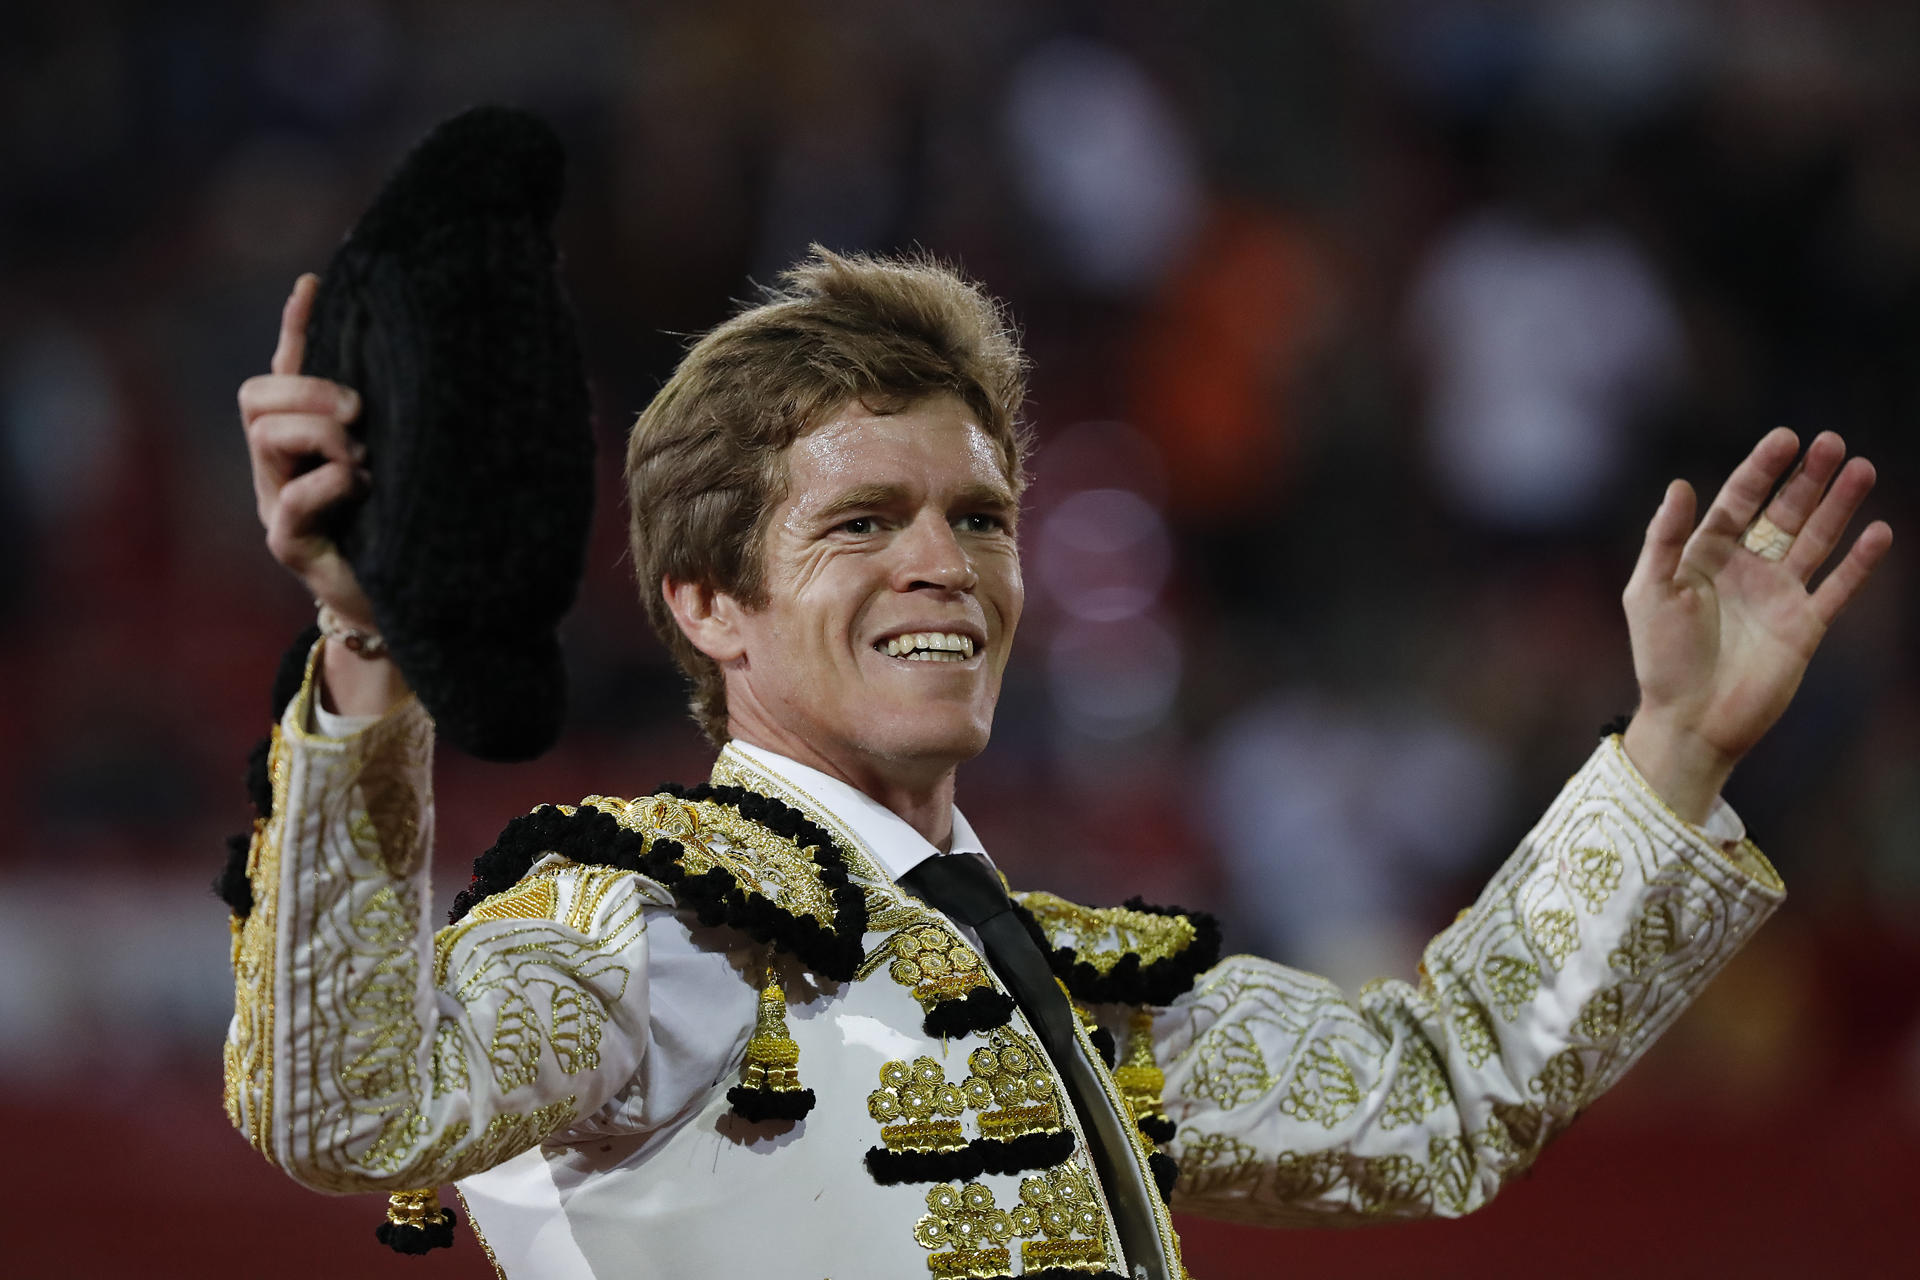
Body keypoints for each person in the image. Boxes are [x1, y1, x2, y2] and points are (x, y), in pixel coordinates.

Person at [226, 249, 1889, 1279]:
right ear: (708, 604)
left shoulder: (1079, 1000)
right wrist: (374, 650)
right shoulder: (632, 939)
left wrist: (1674, 743)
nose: (946, 564)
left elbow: (1443, 1093)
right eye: (864, 522)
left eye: (980, 518)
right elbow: (350, 1100)